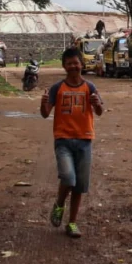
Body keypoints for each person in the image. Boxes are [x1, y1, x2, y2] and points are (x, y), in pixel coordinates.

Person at [39, 47, 104, 238]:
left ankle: (72, 223)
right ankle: (59, 203)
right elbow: (45, 114)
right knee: (68, 177)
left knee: (79, 186)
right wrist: (43, 102)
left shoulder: (90, 87)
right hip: (63, 141)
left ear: (81, 64)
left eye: (76, 63)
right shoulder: (57, 88)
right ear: (64, 66)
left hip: (85, 141)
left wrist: (96, 103)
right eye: (69, 63)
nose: (73, 66)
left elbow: (100, 111)